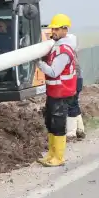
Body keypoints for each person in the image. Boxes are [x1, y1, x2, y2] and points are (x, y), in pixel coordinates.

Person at [36, 13, 78, 166]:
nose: (52, 31)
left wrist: (38, 63)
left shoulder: (63, 51)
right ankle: (51, 154)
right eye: (52, 29)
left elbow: (54, 72)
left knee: (58, 123)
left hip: (61, 93)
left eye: (55, 29)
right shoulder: (56, 46)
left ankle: (58, 157)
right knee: (50, 122)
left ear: (64, 30)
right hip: (54, 92)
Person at [65, 33, 86, 139]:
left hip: (74, 80)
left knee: (71, 104)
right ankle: (80, 129)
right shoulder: (73, 52)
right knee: (74, 103)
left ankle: (71, 133)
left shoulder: (68, 53)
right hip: (78, 80)